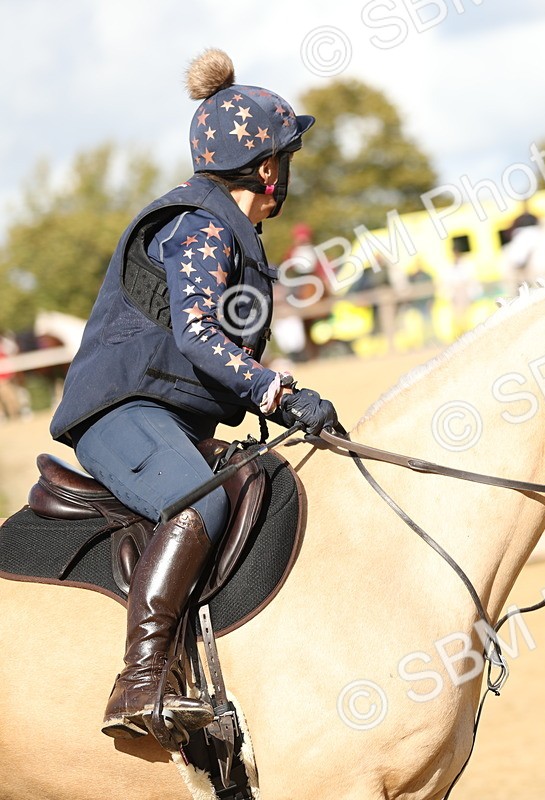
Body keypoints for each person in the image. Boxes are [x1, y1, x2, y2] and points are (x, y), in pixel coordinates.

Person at [48, 49, 340, 740]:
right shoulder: (199, 224)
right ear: (269, 169)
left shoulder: (229, 229)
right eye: (287, 159)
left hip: (169, 417)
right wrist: (280, 392)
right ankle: (140, 680)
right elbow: (199, 336)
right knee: (198, 501)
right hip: (121, 412)